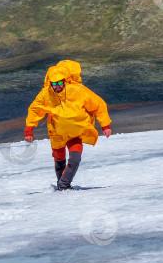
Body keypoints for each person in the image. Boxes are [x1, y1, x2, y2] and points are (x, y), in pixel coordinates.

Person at [23, 60, 111, 190]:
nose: (57, 86)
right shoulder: (46, 94)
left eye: (60, 82)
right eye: (54, 83)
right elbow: (35, 109)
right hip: (57, 133)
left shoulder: (78, 91)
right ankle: (62, 185)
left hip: (75, 133)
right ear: (50, 83)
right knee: (59, 160)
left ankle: (63, 185)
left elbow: (98, 105)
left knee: (75, 159)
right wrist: (29, 129)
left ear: (65, 81)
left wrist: (105, 125)